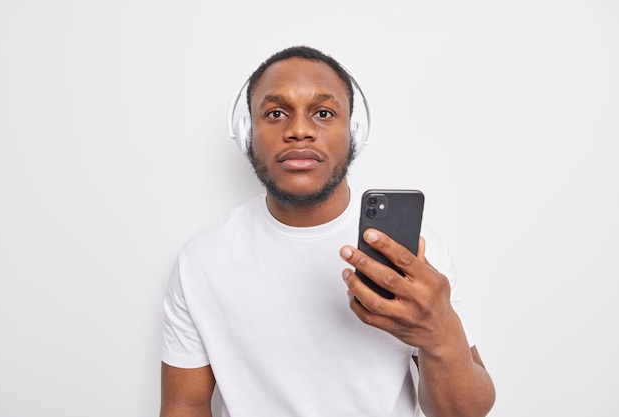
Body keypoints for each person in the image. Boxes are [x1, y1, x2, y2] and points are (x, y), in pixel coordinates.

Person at [160, 45, 495, 417]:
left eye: (323, 113)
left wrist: (440, 335)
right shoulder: (201, 259)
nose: (299, 130)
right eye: (275, 113)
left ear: (354, 131)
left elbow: (465, 412)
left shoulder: (416, 252)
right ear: (246, 132)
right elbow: (185, 405)